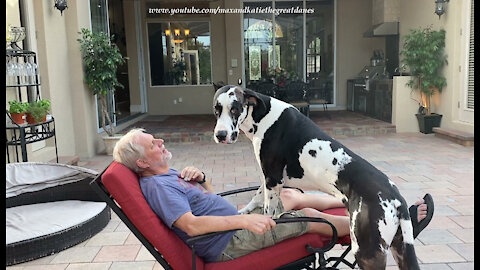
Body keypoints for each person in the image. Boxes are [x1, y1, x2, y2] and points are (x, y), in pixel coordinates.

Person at [113, 128, 433, 263]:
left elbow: (207, 202)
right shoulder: (158, 186)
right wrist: (247, 219)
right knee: (306, 219)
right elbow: (192, 227)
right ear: (141, 162)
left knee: (290, 195)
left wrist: (205, 181)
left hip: (232, 222)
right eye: (152, 142)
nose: (159, 140)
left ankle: (362, 202)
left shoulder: (166, 175)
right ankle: (387, 231)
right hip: (229, 242)